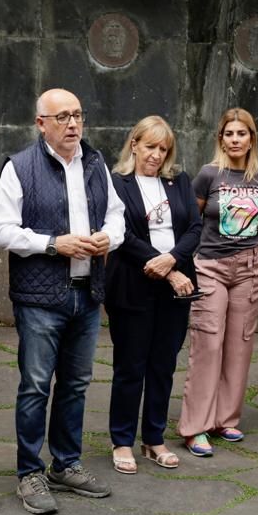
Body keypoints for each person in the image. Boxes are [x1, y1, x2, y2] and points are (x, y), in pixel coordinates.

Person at [0, 88, 125, 514]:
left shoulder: (96, 163)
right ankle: (29, 472)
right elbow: (1, 230)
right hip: (40, 298)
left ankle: (65, 464)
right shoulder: (20, 167)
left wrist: (109, 238)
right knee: (34, 387)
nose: (72, 124)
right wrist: (53, 244)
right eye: (62, 117)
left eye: (78, 116)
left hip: (87, 292)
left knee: (76, 385)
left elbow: (117, 215)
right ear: (41, 123)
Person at [105, 116, 201, 472]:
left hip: (176, 290)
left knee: (163, 366)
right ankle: (121, 440)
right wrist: (166, 268)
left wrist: (174, 260)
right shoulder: (116, 184)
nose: (157, 155)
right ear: (134, 144)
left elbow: (194, 226)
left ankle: (153, 439)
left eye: (163, 149)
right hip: (132, 285)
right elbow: (122, 234)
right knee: (130, 367)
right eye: (150, 146)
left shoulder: (179, 182)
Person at [177, 108, 258, 457]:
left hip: (248, 267)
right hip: (211, 266)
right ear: (221, 138)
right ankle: (195, 427)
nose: (235, 140)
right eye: (229, 134)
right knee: (208, 344)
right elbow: (193, 219)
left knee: (239, 344)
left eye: (242, 134)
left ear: (252, 138)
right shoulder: (208, 175)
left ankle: (225, 418)